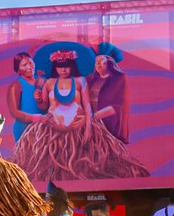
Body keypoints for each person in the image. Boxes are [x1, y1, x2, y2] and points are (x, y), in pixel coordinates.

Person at [14, 49, 149, 182]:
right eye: (60, 67)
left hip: (79, 128)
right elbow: (44, 106)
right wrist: (39, 100)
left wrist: (88, 128)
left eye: (67, 66)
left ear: (71, 67)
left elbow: (87, 106)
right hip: (51, 130)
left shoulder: (80, 81)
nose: (64, 70)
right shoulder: (49, 83)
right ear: (56, 67)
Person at [87, 43, 130, 143]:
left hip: (109, 127)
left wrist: (92, 117)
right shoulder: (90, 79)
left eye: (101, 60)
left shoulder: (119, 79)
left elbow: (119, 106)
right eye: (96, 61)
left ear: (109, 62)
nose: (97, 63)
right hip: (91, 127)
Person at [6, 52, 46, 141]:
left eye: (30, 63)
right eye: (24, 65)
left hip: (44, 129)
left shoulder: (42, 81)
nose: (29, 67)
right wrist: (37, 118)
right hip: (24, 129)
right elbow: (14, 112)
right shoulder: (16, 85)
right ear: (18, 70)